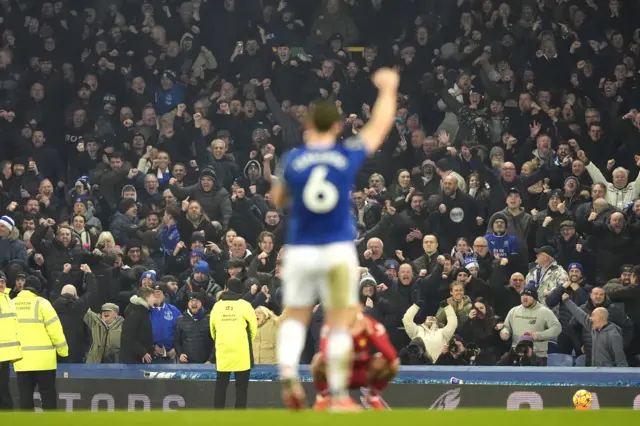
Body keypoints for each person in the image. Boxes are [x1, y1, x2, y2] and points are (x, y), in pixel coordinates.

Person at [272, 68, 399, 411]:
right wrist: (388, 89)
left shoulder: (293, 159)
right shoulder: (344, 156)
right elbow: (379, 128)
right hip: (338, 248)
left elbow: (277, 199)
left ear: (306, 127)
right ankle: (340, 396)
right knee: (340, 320)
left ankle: (287, 374)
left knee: (296, 315)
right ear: (339, 127)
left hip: (300, 247)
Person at [312, 310, 399, 411]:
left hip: (363, 372)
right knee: (318, 360)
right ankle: (323, 398)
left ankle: (373, 396)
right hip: (339, 373)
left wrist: (371, 333)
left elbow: (392, 355)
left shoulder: (370, 323)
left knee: (391, 363)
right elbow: (324, 353)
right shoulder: (332, 325)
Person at [12, 273, 68, 410]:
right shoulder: (43, 304)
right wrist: (63, 351)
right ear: (38, 289)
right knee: (47, 396)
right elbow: (55, 330)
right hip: (45, 362)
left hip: (21, 360)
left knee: (25, 398)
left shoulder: (11, 304)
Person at [210, 278, 257, 409]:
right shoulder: (245, 305)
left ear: (226, 288)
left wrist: (220, 340)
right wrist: (245, 342)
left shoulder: (217, 306)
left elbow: (212, 329)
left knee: (220, 387)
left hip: (223, 351)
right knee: (241, 389)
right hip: (241, 352)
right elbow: (253, 328)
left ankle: (217, 418)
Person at [499, 285, 561, 366]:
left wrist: (539, 335)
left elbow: (557, 328)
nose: (525, 298)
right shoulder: (514, 311)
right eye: (523, 295)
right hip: (516, 354)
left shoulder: (545, 312)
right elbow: (506, 327)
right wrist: (504, 333)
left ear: (535, 297)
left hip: (538, 356)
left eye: (528, 295)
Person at [562, 294, 628, 367]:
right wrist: (567, 301)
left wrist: (622, 377)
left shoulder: (614, 335)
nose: (590, 318)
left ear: (601, 317)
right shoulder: (593, 327)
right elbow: (580, 314)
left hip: (608, 374)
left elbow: (620, 360)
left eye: (593, 315)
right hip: (595, 370)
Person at [0, 271, 22, 410]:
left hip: (5, 355)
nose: (1, 284)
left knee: (3, 386)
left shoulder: (7, 298)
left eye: (2, 281)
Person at [119, 287, 155, 364]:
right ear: (147, 298)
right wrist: (142, 352)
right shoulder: (135, 313)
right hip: (132, 361)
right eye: (153, 297)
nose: (154, 299)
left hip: (141, 358)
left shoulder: (144, 312)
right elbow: (128, 337)